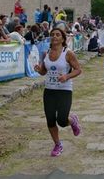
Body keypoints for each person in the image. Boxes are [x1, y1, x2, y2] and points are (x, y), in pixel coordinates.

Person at [34, 28, 82, 157]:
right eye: (52, 35)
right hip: (49, 90)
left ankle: (72, 121)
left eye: (57, 35)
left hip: (64, 90)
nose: (54, 37)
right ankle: (57, 144)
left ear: (62, 38)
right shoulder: (46, 53)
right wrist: (39, 70)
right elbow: (44, 72)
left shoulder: (68, 53)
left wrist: (66, 76)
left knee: (61, 120)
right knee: (50, 120)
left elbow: (78, 70)